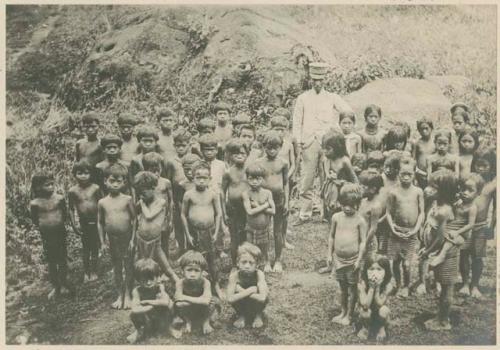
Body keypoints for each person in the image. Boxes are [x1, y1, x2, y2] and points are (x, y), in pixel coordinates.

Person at [292, 62, 353, 224]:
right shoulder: (303, 98)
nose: (317, 83)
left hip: (328, 145)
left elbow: (348, 112)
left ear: (325, 80)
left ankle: (326, 211)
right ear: (310, 80)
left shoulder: (332, 97)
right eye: (314, 80)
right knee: (307, 178)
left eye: (320, 80)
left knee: (328, 178)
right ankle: (305, 213)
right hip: (308, 143)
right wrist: (298, 142)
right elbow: (297, 123)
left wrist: (335, 129)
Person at [419, 170, 459, 330]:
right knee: (441, 286)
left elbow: (440, 239)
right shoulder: (436, 204)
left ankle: (443, 321)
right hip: (435, 251)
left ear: (444, 191)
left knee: (447, 287)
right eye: (428, 185)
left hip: (446, 255)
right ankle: (440, 315)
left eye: (433, 187)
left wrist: (427, 251)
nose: (427, 190)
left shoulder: (445, 211)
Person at [181, 161, 223, 297]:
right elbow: (183, 214)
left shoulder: (212, 194)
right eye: (198, 177)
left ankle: (215, 284)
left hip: (209, 231)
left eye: (205, 177)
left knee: (212, 259)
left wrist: (216, 232)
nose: (201, 180)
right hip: (194, 231)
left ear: (210, 179)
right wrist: (187, 234)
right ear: (193, 178)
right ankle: (194, 286)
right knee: (194, 258)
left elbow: (218, 214)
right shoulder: (188, 195)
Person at [97, 164, 136, 309]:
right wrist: (102, 241)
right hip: (113, 239)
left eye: (118, 181)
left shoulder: (127, 199)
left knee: (129, 266)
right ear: (105, 181)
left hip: (126, 237)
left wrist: (133, 239)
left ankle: (128, 295)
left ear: (124, 183)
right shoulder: (102, 202)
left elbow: (134, 220)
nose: (114, 184)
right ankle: (120, 294)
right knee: (117, 267)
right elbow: (100, 222)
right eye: (111, 181)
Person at [328, 184, 367, 326]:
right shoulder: (336, 217)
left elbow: (363, 242)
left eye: (351, 205)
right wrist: (329, 254)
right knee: (342, 287)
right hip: (338, 260)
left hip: (352, 261)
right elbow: (331, 236)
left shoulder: (360, 220)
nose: (347, 208)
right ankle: (343, 311)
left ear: (357, 204)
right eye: (344, 205)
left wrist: (359, 259)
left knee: (352, 288)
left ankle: (349, 315)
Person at [30, 172, 73, 300]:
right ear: (38, 187)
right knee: (52, 261)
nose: (50, 187)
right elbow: (35, 220)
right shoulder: (35, 203)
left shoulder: (59, 198)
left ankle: (64, 284)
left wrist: (59, 224)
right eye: (46, 185)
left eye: (51, 184)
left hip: (60, 232)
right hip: (47, 235)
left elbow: (64, 215)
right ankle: (56, 286)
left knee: (62, 258)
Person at [385, 159, 424, 298]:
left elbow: (421, 213)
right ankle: (398, 284)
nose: (406, 177)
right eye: (403, 174)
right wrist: (393, 229)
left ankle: (406, 286)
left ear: (414, 174)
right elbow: (388, 213)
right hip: (396, 232)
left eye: (409, 174)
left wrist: (415, 230)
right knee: (394, 262)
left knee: (407, 264)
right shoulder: (393, 192)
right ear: (398, 174)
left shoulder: (418, 192)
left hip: (410, 234)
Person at [133, 171, 179, 283]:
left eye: (143, 193)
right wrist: (139, 205)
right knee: (142, 264)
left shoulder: (161, 202)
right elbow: (134, 214)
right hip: (141, 240)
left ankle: (179, 283)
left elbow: (149, 216)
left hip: (155, 241)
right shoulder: (143, 201)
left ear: (153, 188)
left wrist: (142, 204)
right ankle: (144, 284)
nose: (141, 196)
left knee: (166, 266)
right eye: (139, 193)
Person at [257, 131, 289, 273]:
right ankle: (264, 260)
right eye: (269, 147)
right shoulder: (258, 163)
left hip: (279, 199)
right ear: (264, 147)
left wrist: (287, 201)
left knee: (278, 231)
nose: (272, 151)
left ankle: (278, 260)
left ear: (280, 147)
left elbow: (286, 183)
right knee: (264, 230)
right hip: (263, 199)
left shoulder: (283, 162)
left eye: (276, 148)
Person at [127, 258, 178, 343]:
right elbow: (134, 309)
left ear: (157, 277)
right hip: (146, 316)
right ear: (138, 279)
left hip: (160, 314)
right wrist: (154, 305)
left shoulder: (160, 287)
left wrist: (149, 302)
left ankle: (169, 328)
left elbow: (166, 302)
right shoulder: (137, 291)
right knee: (133, 314)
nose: (148, 282)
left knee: (170, 305)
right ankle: (138, 331)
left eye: (151, 278)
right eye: (144, 279)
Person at [468, 146, 496, 299]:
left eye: (485, 165)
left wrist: (491, 227)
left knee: (478, 257)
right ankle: (465, 283)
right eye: (478, 164)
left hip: (481, 226)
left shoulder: (492, 184)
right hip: (466, 224)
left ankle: (474, 285)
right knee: (464, 254)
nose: (481, 168)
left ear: (491, 166)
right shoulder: (469, 179)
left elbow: (496, 208)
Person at [68, 160, 102, 282]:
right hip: (83, 223)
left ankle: (94, 271)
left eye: (86, 173)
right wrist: (74, 224)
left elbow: (101, 204)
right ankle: (86, 272)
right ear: (74, 174)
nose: (83, 176)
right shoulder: (73, 191)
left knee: (95, 247)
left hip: (96, 221)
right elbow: (71, 209)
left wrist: (101, 222)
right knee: (86, 248)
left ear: (91, 174)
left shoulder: (95, 188)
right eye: (80, 173)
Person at [242, 163, 276, 272]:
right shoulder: (246, 194)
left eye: (258, 179)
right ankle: (251, 264)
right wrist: (265, 205)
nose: (254, 182)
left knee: (264, 246)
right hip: (251, 226)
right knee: (250, 247)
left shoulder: (267, 193)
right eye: (251, 179)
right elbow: (250, 212)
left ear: (262, 179)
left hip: (264, 226)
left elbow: (273, 211)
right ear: (247, 179)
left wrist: (260, 206)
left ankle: (266, 262)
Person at [227, 242, 269, 329]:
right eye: (244, 262)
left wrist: (240, 290)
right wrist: (250, 290)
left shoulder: (259, 274)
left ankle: (258, 315)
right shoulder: (234, 276)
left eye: (251, 263)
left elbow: (262, 297)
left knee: (263, 290)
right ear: (237, 263)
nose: (247, 266)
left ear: (257, 265)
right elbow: (230, 299)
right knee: (236, 291)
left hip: (256, 303)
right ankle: (241, 315)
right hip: (242, 302)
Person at [174, 250, 217, 335]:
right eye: (189, 270)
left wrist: (185, 298)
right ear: (182, 271)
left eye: (196, 270)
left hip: (202, 309)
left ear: (202, 272)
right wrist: (199, 300)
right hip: (189, 310)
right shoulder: (180, 283)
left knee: (212, 302)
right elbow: (178, 301)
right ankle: (188, 321)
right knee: (177, 305)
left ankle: (206, 322)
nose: (192, 274)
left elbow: (206, 301)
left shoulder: (205, 282)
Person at [320, 130, 358, 224]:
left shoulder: (344, 161)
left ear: (337, 148)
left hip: (342, 195)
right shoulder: (326, 160)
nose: (325, 151)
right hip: (330, 193)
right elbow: (326, 179)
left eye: (328, 149)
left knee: (342, 218)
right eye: (323, 148)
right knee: (331, 217)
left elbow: (355, 180)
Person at [222, 138, 250, 266]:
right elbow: (222, 193)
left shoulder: (250, 171)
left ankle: (247, 262)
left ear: (247, 154)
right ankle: (234, 264)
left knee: (246, 236)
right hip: (233, 209)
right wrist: (224, 212)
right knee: (234, 238)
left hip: (247, 208)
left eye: (242, 153)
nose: (239, 156)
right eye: (236, 154)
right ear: (230, 156)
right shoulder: (228, 173)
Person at [270, 115, 297, 249]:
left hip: (285, 181)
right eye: (277, 129)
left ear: (287, 130)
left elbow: (293, 164)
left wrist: (288, 176)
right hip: (272, 182)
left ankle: (283, 238)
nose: (280, 132)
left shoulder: (288, 145)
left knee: (284, 211)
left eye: (282, 129)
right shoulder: (270, 145)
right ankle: (271, 235)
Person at [142, 153, 174, 257]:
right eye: (152, 171)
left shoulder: (166, 182)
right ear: (145, 170)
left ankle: (165, 263)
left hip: (163, 215)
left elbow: (171, 201)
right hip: (150, 215)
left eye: (158, 170)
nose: (156, 173)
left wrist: (170, 219)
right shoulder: (144, 182)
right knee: (151, 240)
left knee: (164, 240)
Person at [357, 254, 392, 341]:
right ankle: (365, 328)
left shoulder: (388, 285)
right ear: (366, 270)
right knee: (365, 312)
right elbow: (365, 305)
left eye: (379, 269)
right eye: (371, 269)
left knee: (384, 310)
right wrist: (371, 288)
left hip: (380, 313)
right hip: (367, 312)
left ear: (386, 271)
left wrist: (378, 288)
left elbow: (380, 303)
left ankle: (381, 328)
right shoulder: (362, 284)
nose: (374, 273)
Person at [358, 170, 385, 263]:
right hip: (359, 238)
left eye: (363, 186)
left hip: (368, 242)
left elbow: (373, 228)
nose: (360, 188)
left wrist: (365, 243)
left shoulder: (376, 206)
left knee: (366, 266)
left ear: (373, 189)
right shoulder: (363, 200)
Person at [413, 117, 434, 189]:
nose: (424, 131)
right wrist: (417, 172)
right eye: (421, 129)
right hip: (420, 174)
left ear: (431, 128)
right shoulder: (417, 143)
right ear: (418, 130)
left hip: (433, 174)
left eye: (426, 128)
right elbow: (414, 159)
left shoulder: (435, 142)